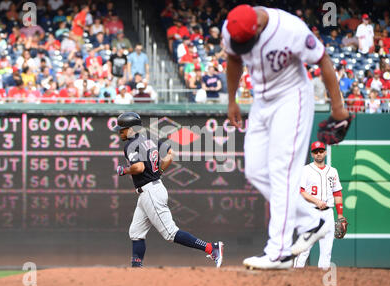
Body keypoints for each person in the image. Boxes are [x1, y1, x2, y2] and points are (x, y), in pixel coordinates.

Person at [223, 5, 350, 269]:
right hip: (262, 100)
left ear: (257, 27)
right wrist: (232, 99)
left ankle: (278, 252)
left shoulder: (290, 29)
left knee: (282, 171)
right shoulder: (232, 28)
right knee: (256, 170)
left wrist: (337, 106)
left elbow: (323, 59)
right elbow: (234, 59)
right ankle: (312, 221)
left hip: (293, 97)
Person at [113, 112, 224, 268]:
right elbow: (170, 155)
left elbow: (139, 167)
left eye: (122, 129)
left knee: (170, 233)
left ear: (131, 129)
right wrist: (159, 172)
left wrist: (123, 170)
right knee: (136, 232)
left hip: (150, 192)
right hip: (152, 189)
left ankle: (211, 248)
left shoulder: (131, 145)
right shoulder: (150, 139)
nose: (120, 132)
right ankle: (136, 270)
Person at [293, 141, 345, 269]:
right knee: (304, 250)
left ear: (325, 152)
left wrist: (340, 216)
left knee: (326, 251)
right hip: (311, 212)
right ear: (312, 154)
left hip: (328, 213)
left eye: (321, 151)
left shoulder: (333, 171)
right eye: (316, 152)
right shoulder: (305, 170)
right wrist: (316, 201)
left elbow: (337, 193)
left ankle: (320, 281)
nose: (319, 154)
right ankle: (294, 276)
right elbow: (301, 191)